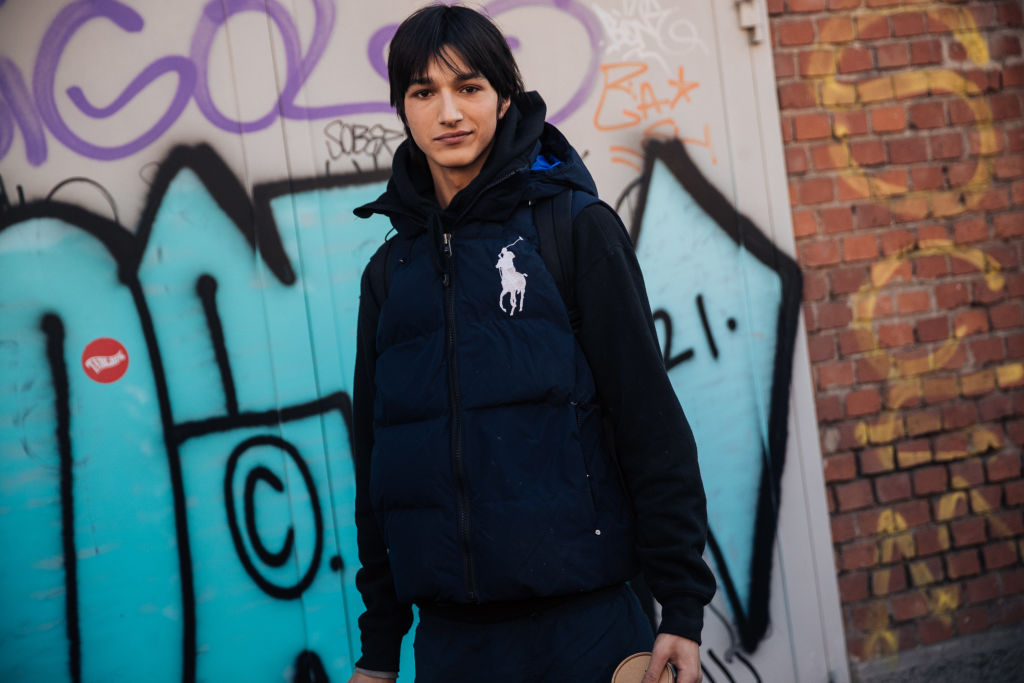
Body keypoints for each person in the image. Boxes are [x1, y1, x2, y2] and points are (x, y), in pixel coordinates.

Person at [348, 6, 715, 682]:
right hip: (453, 646)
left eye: (470, 87)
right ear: (403, 109)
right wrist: (379, 646)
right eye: (424, 92)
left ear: (505, 97)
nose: (449, 111)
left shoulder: (574, 230)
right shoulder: (390, 273)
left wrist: (682, 606)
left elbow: (649, 422)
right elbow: (380, 468)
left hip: (588, 628)